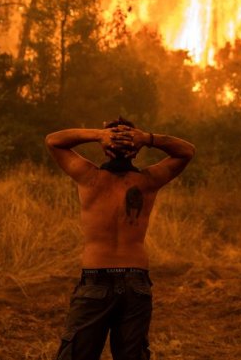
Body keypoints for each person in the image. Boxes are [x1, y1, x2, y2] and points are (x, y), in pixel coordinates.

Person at [45, 117, 195, 360]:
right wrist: (146, 138)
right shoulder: (148, 181)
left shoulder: (88, 177)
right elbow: (186, 152)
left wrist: (99, 135)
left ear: (105, 149)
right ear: (135, 151)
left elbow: (53, 141)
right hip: (135, 283)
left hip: (96, 279)